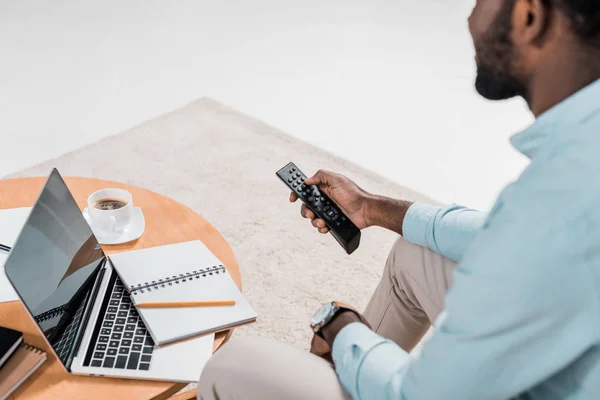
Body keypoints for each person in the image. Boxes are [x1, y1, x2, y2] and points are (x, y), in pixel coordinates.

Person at [198, 0, 600, 398]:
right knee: (418, 251)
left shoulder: (558, 199)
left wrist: (340, 329)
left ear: (530, 17)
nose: (469, 18)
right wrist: (370, 207)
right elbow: (497, 236)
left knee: (233, 364)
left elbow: (416, 392)